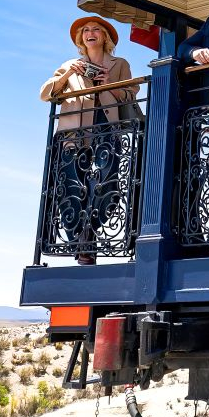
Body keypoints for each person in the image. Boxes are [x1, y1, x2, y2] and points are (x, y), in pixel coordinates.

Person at [38, 16, 138, 263]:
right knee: (71, 188)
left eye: (95, 29)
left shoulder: (119, 64)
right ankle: (80, 242)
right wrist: (67, 75)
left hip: (107, 131)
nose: (90, 33)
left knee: (109, 185)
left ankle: (90, 230)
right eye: (85, 31)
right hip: (74, 136)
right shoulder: (70, 64)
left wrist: (109, 84)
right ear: (80, 39)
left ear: (104, 37)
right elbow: (45, 94)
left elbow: (131, 94)